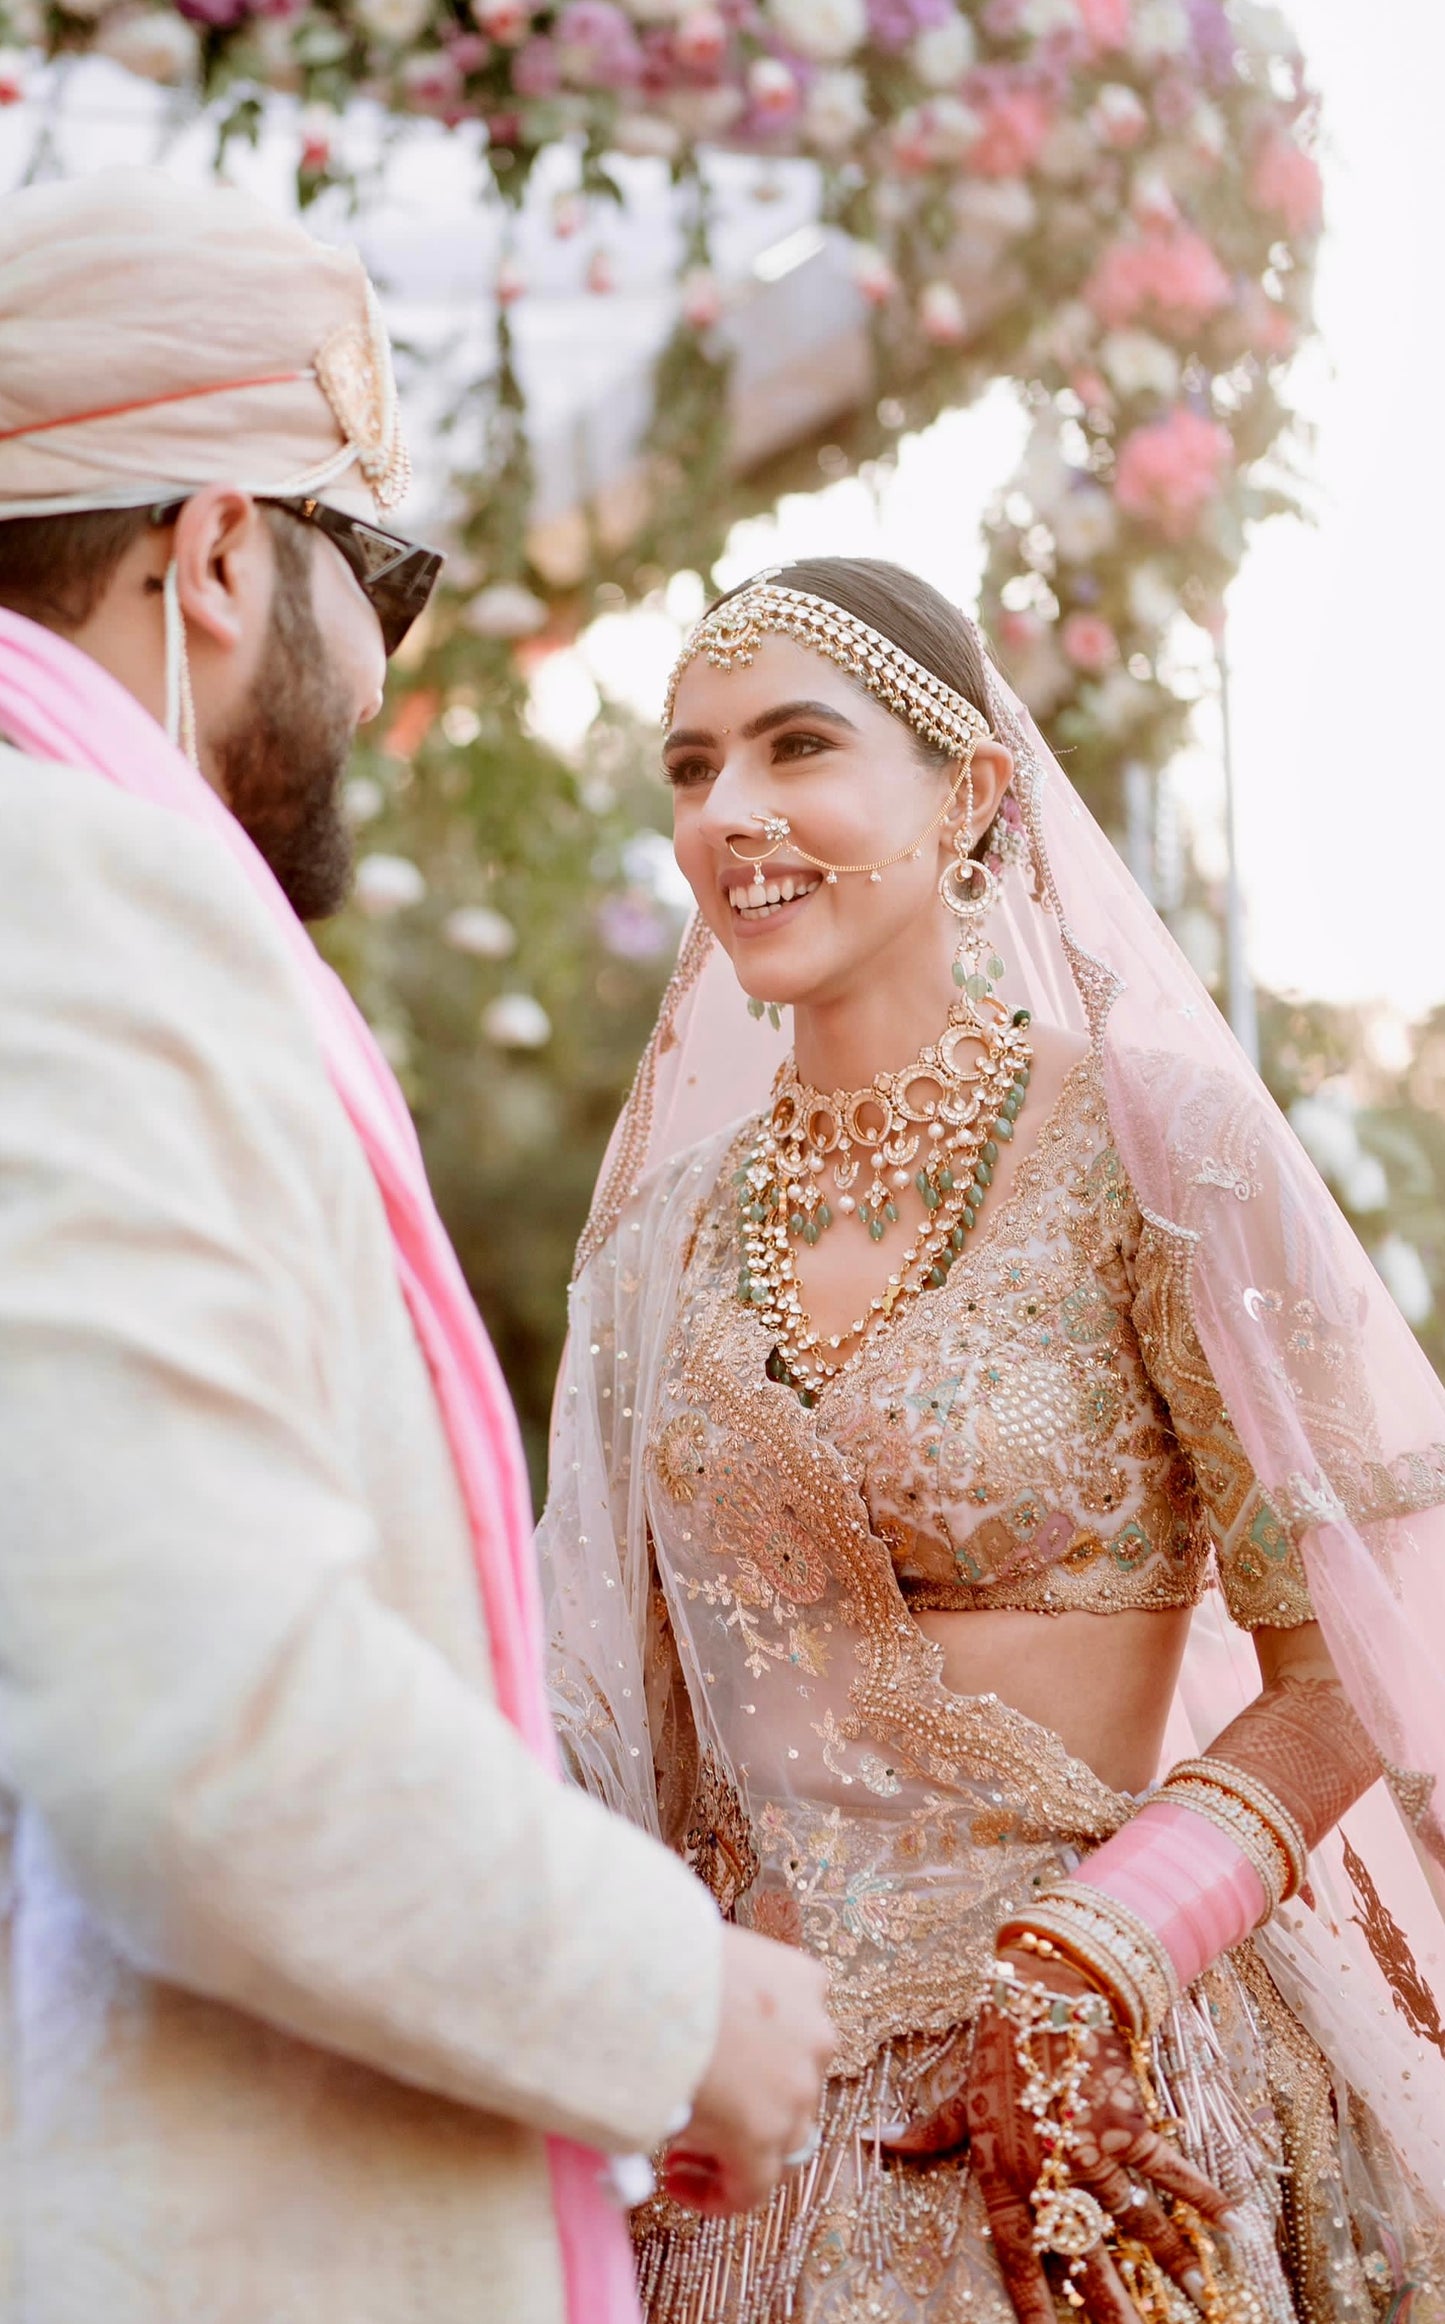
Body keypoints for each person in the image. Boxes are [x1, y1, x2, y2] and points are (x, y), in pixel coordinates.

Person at [0, 169, 834, 2324]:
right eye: (380, 571)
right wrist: (680, 2000)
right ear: (212, 553)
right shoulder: (68, 888)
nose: (379, 669)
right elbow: (198, 1728)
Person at [540, 556, 1445, 2324]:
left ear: (970, 794)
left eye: (796, 748)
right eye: (692, 767)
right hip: (748, 2132)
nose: (732, 814)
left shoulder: (1151, 1149)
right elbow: (611, 1738)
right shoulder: (654, 1249)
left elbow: (1353, 1657)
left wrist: (1089, 1964)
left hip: (1104, 2064)